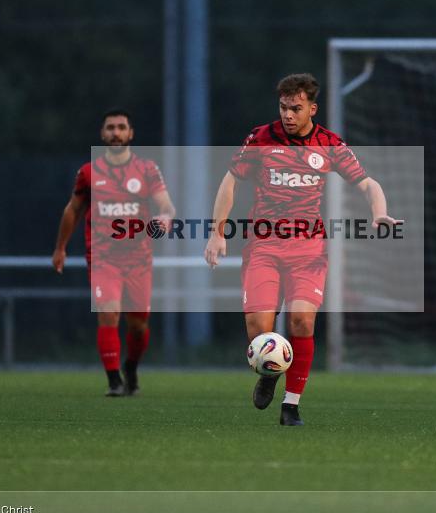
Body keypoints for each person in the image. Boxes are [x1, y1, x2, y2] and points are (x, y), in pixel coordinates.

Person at [203, 73, 401, 426]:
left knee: (301, 321)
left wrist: (379, 211)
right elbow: (230, 179)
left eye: (296, 108)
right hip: (263, 245)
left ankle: (291, 406)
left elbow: (367, 183)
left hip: (308, 249)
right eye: (283, 107)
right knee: (258, 330)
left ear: (312, 108)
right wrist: (217, 233)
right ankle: (269, 373)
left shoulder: (329, 144)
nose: (288, 115)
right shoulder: (261, 138)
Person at [53, 109, 175, 396]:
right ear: (102, 133)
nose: (116, 133)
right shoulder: (88, 172)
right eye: (110, 127)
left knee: (138, 325)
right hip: (103, 259)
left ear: (131, 133)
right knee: (108, 313)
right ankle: (113, 381)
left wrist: (166, 218)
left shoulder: (146, 170)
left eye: (121, 127)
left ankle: (130, 367)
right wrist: (60, 247)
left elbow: (166, 206)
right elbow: (72, 210)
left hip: (139, 259)